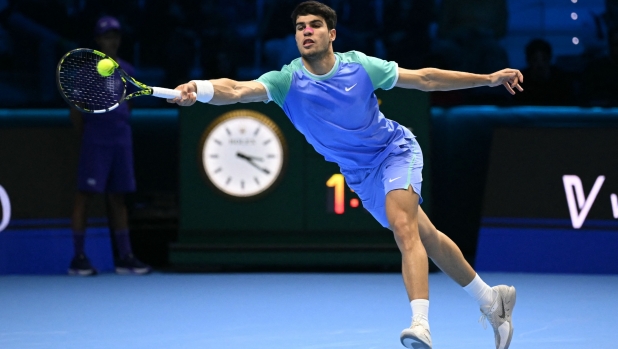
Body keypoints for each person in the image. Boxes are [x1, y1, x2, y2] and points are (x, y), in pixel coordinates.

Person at [170, 2, 522, 348]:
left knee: (404, 226)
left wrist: (489, 78)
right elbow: (236, 89)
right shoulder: (286, 80)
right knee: (426, 236)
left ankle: (420, 324)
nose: (306, 31)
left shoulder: (360, 66)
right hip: (359, 175)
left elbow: (426, 79)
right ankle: (492, 300)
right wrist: (197, 89)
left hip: (394, 152)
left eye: (314, 25)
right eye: (300, 27)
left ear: (331, 33)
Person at [68, 16, 151, 276]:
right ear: (97, 41)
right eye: (106, 36)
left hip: (121, 141)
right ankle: (78, 258)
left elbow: (128, 106)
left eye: (115, 36)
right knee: (85, 195)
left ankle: (125, 257)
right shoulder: (84, 73)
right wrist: (90, 136)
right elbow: (76, 113)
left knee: (119, 198)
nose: (112, 41)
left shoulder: (128, 71)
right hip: (96, 141)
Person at [513, 39, 576, 106]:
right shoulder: (520, 82)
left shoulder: (562, 80)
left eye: (544, 59)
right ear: (529, 61)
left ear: (549, 59)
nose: (540, 64)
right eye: (535, 60)